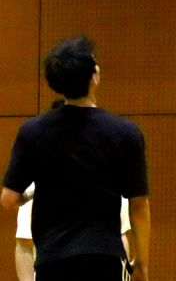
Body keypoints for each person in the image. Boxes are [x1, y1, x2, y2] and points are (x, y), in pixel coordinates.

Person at [1, 36, 151, 281]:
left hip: (53, 259)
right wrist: (142, 264)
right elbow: (139, 205)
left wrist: (29, 194)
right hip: (104, 258)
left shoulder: (32, 132)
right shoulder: (126, 132)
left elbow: (8, 199)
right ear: (94, 77)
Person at [16, 182, 136, 281]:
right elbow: (24, 242)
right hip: (54, 269)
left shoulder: (108, 175)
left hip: (102, 269)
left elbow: (121, 236)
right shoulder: (40, 181)